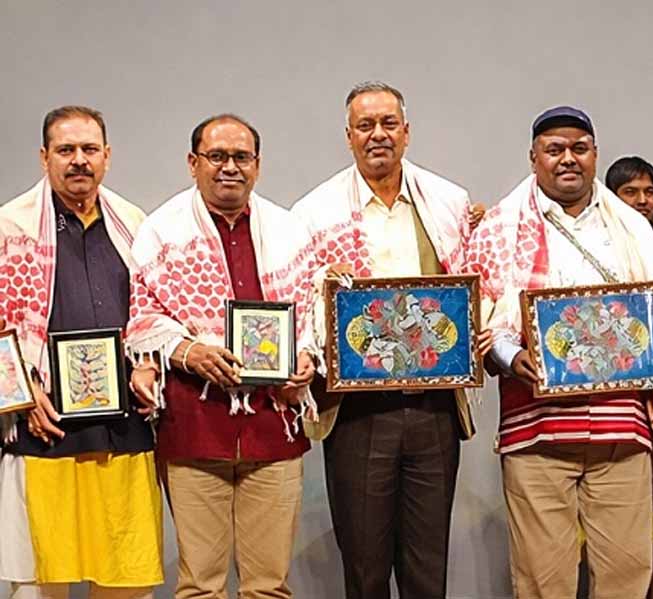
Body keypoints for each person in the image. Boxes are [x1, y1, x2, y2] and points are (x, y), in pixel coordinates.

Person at [467, 106, 653, 599]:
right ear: (534, 158)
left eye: (579, 149)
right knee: (543, 582)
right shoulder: (500, 227)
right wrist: (509, 355)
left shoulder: (630, 228)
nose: (568, 159)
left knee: (627, 576)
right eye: (555, 149)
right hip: (536, 429)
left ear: (595, 155)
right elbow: (481, 311)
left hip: (620, 429)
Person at [292, 81, 481, 599]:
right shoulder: (313, 213)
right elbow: (302, 300)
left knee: (428, 568)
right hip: (357, 412)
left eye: (388, 123)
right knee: (365, 569)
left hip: (435, 407)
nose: (378, 134)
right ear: (348, 136)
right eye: (365, 125)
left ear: (406, 131)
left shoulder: (448, 202)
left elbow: (471, 284)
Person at [126, 114, 318, 599]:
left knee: (268, 586)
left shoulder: (289, 230)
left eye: (241, 157)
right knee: (201, 587)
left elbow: (313, 314)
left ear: (257, 165)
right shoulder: (161, 232)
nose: (229, 167)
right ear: (193, 163)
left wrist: (306, 357)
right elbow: (142, 316)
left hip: (274, 428)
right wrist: (189, 352)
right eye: (216, 156)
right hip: (195, 427)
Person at [0, 106, 162, 598]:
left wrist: (149, 367)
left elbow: (155, 312)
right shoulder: (10, 229)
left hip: (123, 431)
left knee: (126, 579)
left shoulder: (134, 225)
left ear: (107, 156)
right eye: (65, 150)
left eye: (89, 149)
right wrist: (22, 394)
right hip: (43, 430)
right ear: (44, 157)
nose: (78, 160)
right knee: (41, 581)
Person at [605, 156, 653, 239]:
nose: (642, 201)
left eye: (649, 192)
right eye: (630, 192)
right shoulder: (599, 233)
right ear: (611, 197)